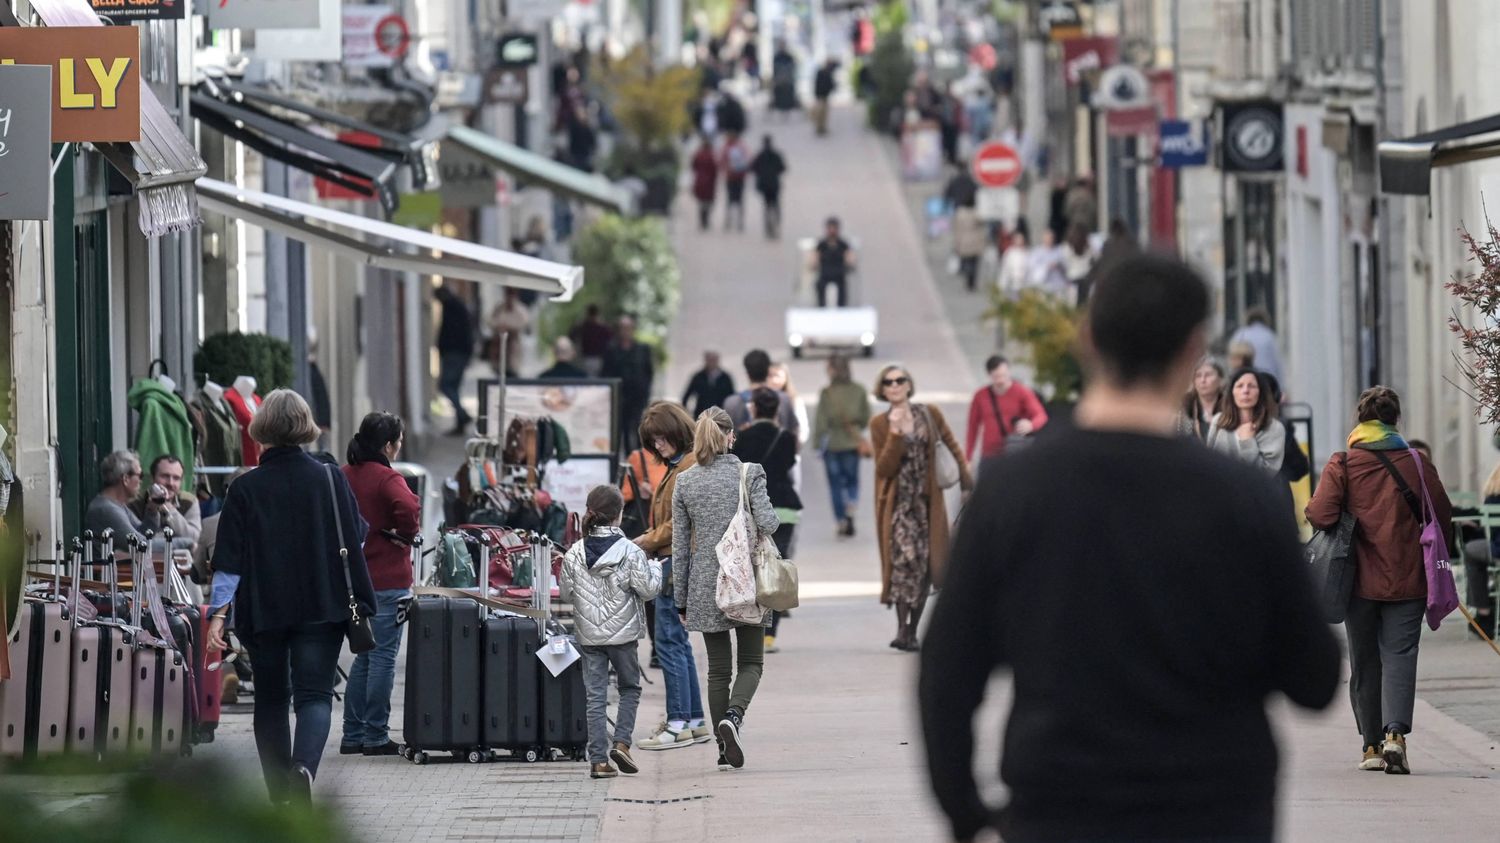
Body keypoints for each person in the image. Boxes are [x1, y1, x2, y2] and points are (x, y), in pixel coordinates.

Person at [920, 253, 1340, 843]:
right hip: (1215, 809)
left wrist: (967, 812)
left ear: (1087, 340)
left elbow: (947, 672)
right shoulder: (1243, 498)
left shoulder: (1013, 493)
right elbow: (1314, 679)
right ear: (1194, 348)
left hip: (1061, 806)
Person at [205, 390, 377, 804]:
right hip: (323, 602)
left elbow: (229, 562)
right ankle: (303, 769)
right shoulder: (329, 477)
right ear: (305, 426)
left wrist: (217, 617)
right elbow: (358, 534)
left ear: (262, 428)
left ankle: (279, 796)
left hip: (266, 609)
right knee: (315, 695)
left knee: (270, 698)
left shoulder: (245, 489)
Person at [1307, 386, 1453, 774]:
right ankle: (1395, 736)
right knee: (1400, 655)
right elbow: (1441, 513)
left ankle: (1370, 746)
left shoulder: (1343, 463)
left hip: (1358, 580)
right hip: (1408, 577)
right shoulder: (1416, 463)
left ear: (1360, 419)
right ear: (1395, 420)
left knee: (1365, 660)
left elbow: (1320, 515)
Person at [671, 407, 779, 771]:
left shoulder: (684, 481)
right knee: (751, 662)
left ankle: (722, 747)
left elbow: (680, 545)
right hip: (747, 578)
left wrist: (680, 598)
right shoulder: (748, 473)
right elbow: (769, 522)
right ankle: (734, 715)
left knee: (718, 670)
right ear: (730, 436)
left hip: (705, 582)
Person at [560, 485, 663, 780]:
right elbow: (648, 590)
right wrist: (655, 568)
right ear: (619, 515)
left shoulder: (575, 553)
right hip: (623, 636)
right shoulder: (631, 551)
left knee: (595, 697)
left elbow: (567, 594)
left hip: (589, 635)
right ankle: (621, 743)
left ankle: (598, 762)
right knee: (629, 688)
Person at [871, 364, 972, 651]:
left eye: (899, 380)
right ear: (883, 389)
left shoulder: (929, 414)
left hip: (927, 504)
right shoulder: (880, 424)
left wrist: (966, 482)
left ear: (908, 384)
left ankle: (912, 630)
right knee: (905, 563)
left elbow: (951, 445)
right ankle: (902, 629)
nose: (894, 385)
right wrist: (896, 435)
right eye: (888, 382)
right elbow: (884, 468)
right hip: (898, 506)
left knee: (927, 565)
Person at [337, 412, 420, 758]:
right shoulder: (389, 478)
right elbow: (409, 509)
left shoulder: (342, 475)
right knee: (383, 657)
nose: (399, 448)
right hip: (388, 579)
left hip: (351, 580)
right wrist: (403, 536)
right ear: (388, 445)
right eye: (398, 442)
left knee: (362, 657)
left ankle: (352, 734)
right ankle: (374, 735)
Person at [632, 402, 711, 750]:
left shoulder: (688, 468)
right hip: (675, 562)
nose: (658, 446)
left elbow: (678, 523)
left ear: (677, 431)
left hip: (675, 564)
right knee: (677, 645)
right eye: (653, 441)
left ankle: (677, 722)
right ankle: (693, 720)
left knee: (667, 644)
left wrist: (644, 539)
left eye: (662, 438)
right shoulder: (681, 465)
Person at [731, 388, 802, 654]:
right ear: (777, 411)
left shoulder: (743, 437)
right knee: (775, 566)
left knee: (752, 567)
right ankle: (770, 635)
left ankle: (753, 627)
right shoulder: (786, 437)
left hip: (751, 507)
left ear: (754, 409)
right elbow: (788, 464)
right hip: (784, 506)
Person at [814, 354, 871, 537]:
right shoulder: (859, 390)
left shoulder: (827, 393)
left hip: (832, 443)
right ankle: (851, 504)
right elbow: (865, 416)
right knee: (852, 480)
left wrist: (817, 443)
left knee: (835, 485)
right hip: (852, 443)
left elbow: (821, 422)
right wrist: (856, 428)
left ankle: (840, 519)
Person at [964, 355, 1048, 465]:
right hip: (989, 454)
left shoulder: (1022, 392)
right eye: (996, 376)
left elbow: (1041, 415)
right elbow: (972, 427)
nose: (1001, 380)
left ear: (1009, 372)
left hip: (1014, 451)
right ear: (989, 375)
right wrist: (967, 457)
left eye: (1004, 375)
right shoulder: (980, 396)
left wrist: (1031, 425)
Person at [1205, 367, 1286, 477]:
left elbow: (1267, 474)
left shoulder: (1274, 428)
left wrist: (1247, 442)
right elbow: (1210, 461)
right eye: (1239, 386)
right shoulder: (1218, 421)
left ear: (1260, 392)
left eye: (1251, 386)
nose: (1245, 391)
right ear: (1232, 392)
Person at [602, 315, 655, 454]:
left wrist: (645, 391)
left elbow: (648, 372)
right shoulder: (611, 349)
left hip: (638, 397)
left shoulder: (642, 349)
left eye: (628, 328)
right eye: (623, 328)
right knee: (621, 431)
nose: (626, 331)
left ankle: (640, 459)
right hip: (620, 397)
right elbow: (606, 372)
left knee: (639, 428)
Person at [129, 454, 204, 547]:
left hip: (180, 557)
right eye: (165, 476)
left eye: (176, 478)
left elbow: (194, 538)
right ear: (152, 478)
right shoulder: (135, 502)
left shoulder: (189, 501)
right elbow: (135, 539)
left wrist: (168, 509)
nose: (170, 483)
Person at [1462, 460, 1500, 636]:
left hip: (1497, 550)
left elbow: (1491, 531)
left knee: (1470, 551)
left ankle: (1483, 612)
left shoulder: (1493, 494)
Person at [722, 349, 799, 434]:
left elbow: (725, 437)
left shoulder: (732, 403)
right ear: (767, 370)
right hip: (777, 445)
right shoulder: (783, 399)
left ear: (747, 372)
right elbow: (794, 432)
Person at [434, 283, 475, 436]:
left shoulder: (452, 307)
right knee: (454, 387)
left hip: (454, 353)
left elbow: (452, 331)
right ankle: (460, 422)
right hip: (458, 352)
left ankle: (462, 415)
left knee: (446, 385)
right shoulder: (456, 306)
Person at [1230, 306, 1285, 384]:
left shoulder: (1240, 334)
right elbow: (1277, 362)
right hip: (1267, 377)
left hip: (1244, 377)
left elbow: (1232, 355)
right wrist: (1282, 386)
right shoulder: (1269, 336)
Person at [813, 217, 855, 308]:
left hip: (839, 273)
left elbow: (849, 258)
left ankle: (842, 308)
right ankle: (821, 306)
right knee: (820, 286)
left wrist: (849, 263)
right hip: (825, 273)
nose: (832, 231)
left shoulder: (843, 245)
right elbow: (815, 258)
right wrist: (814, 264)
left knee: (842, 288)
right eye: (830, 228)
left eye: (834, 228)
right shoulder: (821, 245)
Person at [487, 288, 530, 378]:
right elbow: (491, 321)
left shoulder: (520, 310)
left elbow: (523, 323)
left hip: (513, 348)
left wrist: (509, 327)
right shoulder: (499, 308)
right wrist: (499, 326)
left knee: (512, 374)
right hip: (499, 346)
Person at [750, 136, 787, 239]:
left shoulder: (760, 155)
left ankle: (768, 226)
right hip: (774, 185)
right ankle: (776, 223)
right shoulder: (776, 155)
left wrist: (761, 174)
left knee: (766, 206)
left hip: (764, 185)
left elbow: (752, 168)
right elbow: (783, 168)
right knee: (775, 205)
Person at [1180, 357, 1225, 440]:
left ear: (1221, 380)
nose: (1203, 380)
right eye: (1198, 376)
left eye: (1208, 375)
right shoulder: (1184, 408)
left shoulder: (1230, 407)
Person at [681, 351, 736, 419]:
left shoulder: (725, 377)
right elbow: (687, 395)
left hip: (720, 414)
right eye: (709, 360)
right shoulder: (698, 377)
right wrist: (685, 413)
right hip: (701, 413)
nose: (711, 362)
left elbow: (732, 396)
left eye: (713, 360)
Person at [720, 132, 752, 232]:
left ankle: (728, 220)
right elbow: (748, 161)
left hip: (730, 177)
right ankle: (740, 222)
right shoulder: (742, 147)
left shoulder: (727, 148)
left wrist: (726, 170)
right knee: (740, 200)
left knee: (729, 199)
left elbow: (722, 161)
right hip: (740, 178)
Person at [571, 305, 614, 377]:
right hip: (592, 358)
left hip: (593, 358)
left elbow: (572, 334)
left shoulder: (583, 326)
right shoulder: (601, 327)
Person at [952, 204, 987, 293]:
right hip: (975, 241)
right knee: (974, 263)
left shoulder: (959, 214)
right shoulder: (976, 214)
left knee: (967, 261)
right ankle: (972, 282)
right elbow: (982, 224)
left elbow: (957, 229)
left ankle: (968, 280)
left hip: (964, 240)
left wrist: (957, 243)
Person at [691, 135, 719, 231]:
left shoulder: (698, 154)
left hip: (700, 181)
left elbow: (693, 166)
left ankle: (702, 220)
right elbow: (715, 169)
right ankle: (705, 220)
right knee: (707, 202)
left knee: (701, 202)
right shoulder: (711, 156)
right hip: (709, 182)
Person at [812, 59, 837, 135]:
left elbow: (831, 85)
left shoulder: (828, 73)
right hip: (820, 96)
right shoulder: (821, 73)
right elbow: (817, 84)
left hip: (825, 96)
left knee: (824, 114)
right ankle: (819, 128)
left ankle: (822, 128)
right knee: (820, 113)